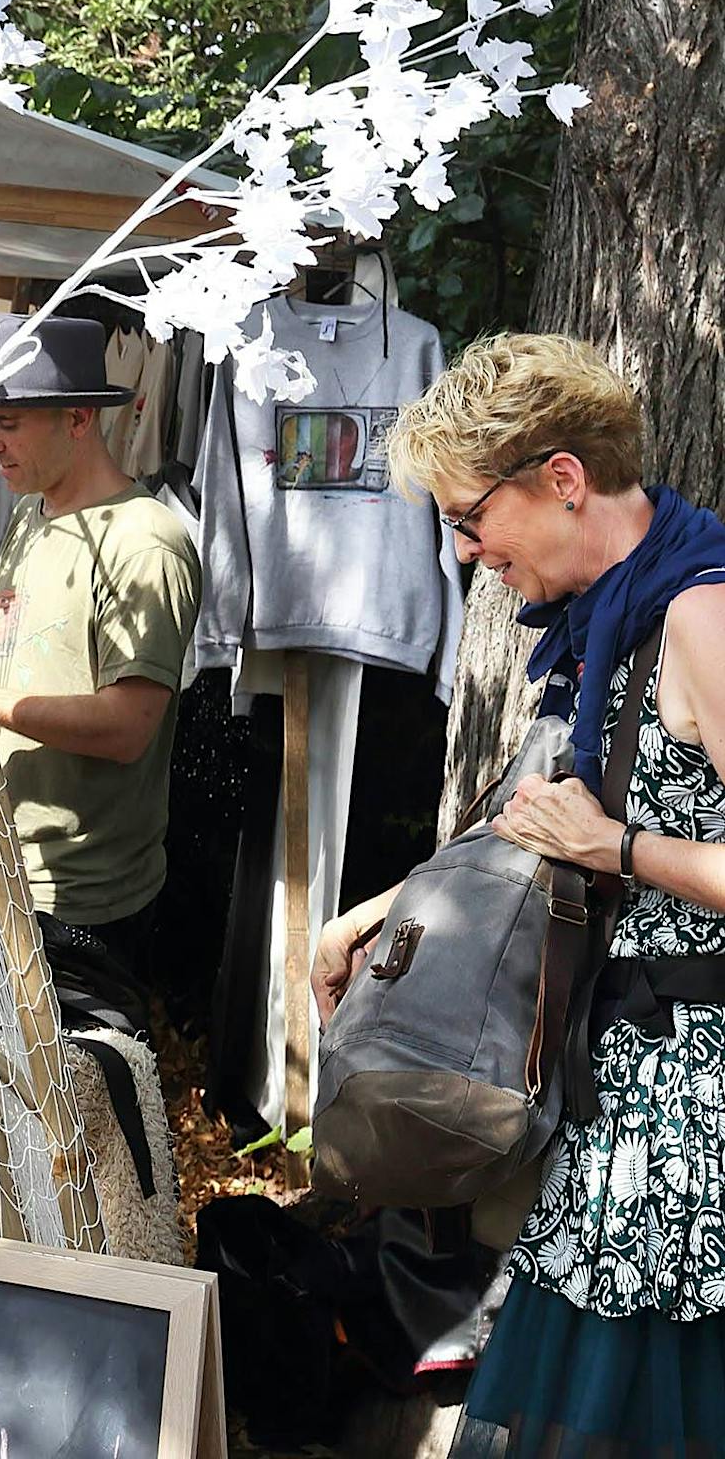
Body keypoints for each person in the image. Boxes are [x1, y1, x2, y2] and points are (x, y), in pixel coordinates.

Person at [310, 333, 725, 1459]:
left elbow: (598, 839)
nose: (460, 549)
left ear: (559, 477)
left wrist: (620, 845)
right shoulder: (612, 620)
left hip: (694, 1125)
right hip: (630, 1098)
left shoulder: (699, 616)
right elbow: (539, 832)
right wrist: (375, 912)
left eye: (466, 514)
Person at [0, 312, 201, 1017]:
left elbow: (129, 726)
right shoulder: (32, 515)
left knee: (68, 1114)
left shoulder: (145, 543)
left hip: (77, 906)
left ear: (76, 418)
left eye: (6, 422)